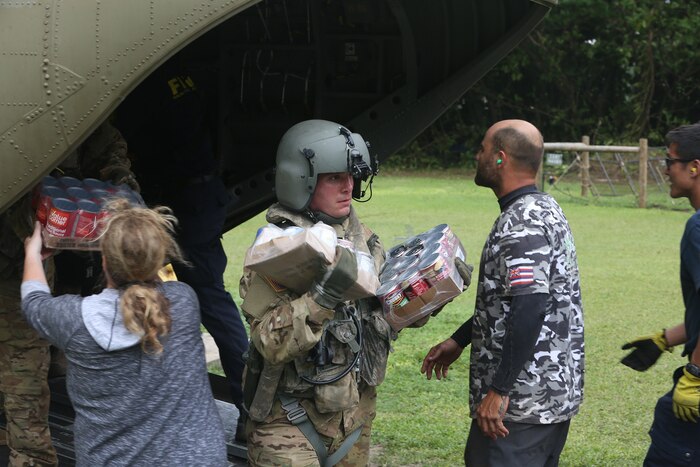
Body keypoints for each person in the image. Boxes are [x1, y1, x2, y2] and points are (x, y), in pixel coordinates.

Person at [421, 119, 585, 466]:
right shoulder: (546, 208)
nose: (476, 155)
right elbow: (513, 300)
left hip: (517, 410)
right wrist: (460, 339)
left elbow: (531, 306)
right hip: (546, 400)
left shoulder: (521, 222)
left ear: (499, 158)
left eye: (482, 149)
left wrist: (499, 390)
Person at [20, 199, 227, 466]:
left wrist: (32, 253)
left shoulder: (73, 320)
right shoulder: (184, 302)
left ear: (104, 260)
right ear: (159, 257)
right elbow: (160, 286)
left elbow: (33, 301)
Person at [239, 119, 393, 465]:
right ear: (301, 180)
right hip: (287, 423)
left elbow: (379, 318)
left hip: (353, 419)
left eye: (352, 176)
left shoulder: (363, 239)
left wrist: (420, 297)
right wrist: (322, 297)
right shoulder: (277, 249)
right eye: (335, 177)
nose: (348, 187)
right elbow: (269, 344)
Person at [114, 57, 249, 439]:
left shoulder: (147, 82)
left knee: (200, 301)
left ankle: (246, 408)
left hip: (182, 203)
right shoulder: (188, 74)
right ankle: (247, 408)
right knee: (205, 302)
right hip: (198, 198)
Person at [0, 120, 138, 466]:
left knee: (26, 383)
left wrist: (118, 183)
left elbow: (108, 152)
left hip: (19, 267)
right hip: (23, 260)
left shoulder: (62, 111)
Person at [620, 124, 700, 466]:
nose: (665, 169)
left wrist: (695, 374)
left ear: (694, 167)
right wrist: (667, 338)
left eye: (670, 161)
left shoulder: (698, 229)